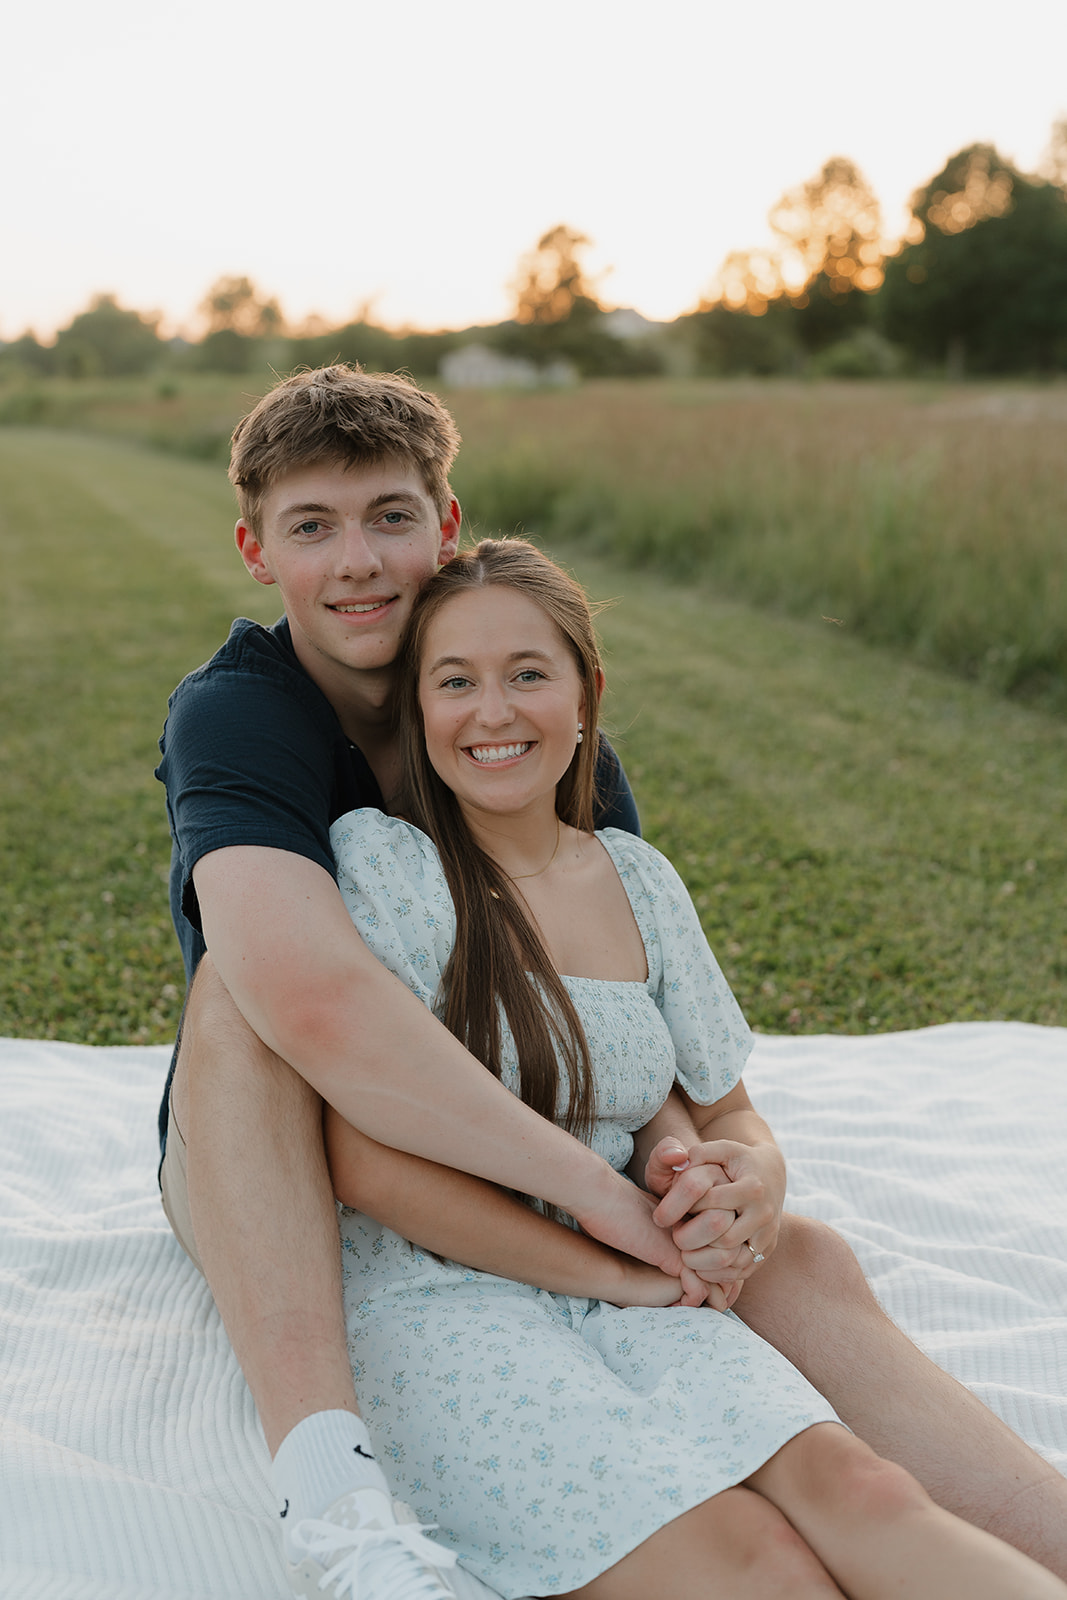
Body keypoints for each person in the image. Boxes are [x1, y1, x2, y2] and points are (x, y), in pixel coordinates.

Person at [155, 364, 1067, 1598]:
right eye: (313, 526)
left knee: (794, 1257)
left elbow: (630, 1023)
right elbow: (312, 1006)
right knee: (243, 988)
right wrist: (598, 1208)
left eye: (389, 516)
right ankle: (335, 1492)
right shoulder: (240, 712)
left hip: (540, 1134)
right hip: (286, 1140)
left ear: (445, 526)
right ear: (257, 550)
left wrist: (706, 1176)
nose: (358, 560)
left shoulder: (535, 734)